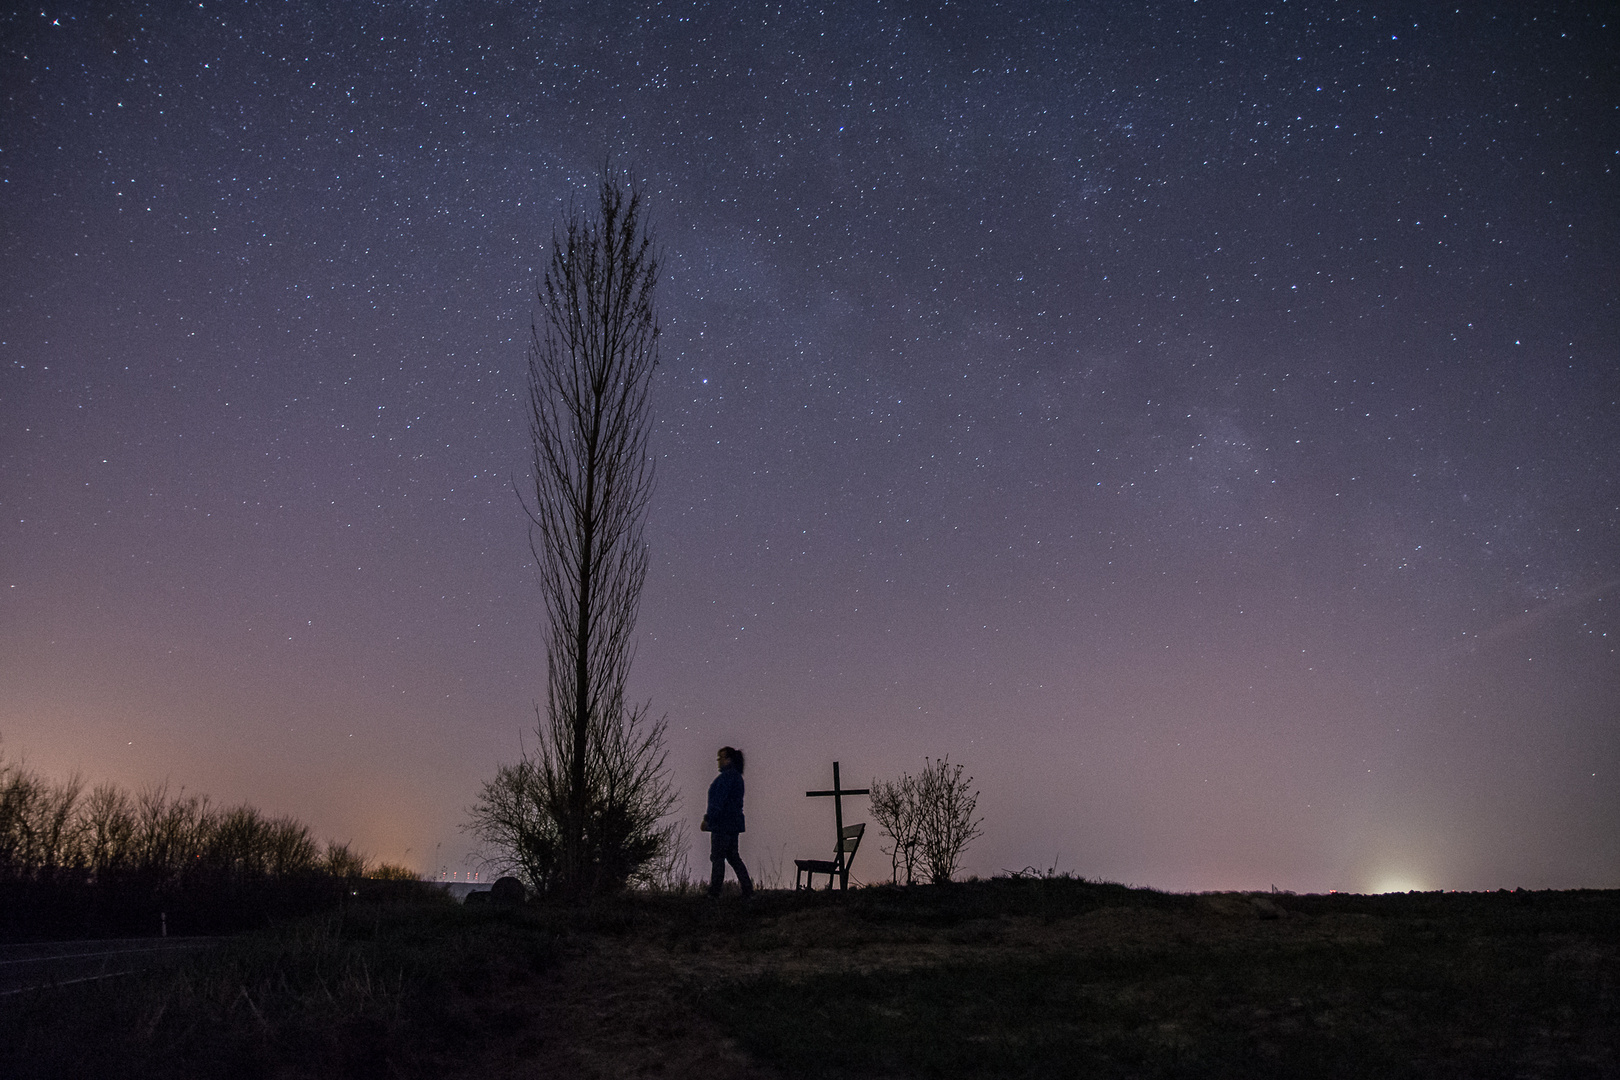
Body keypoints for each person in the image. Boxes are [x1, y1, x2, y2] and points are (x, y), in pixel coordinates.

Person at [702, 746, 753, 898]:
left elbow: (718, 801)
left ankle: (714, 892)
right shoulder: (737, 777)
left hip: (722, 824)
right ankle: (748, 890)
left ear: (728, 759)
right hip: (733, 824)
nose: (719, 761)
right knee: (733, 856)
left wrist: (708, 819)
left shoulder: (726, 778)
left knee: (718, 857)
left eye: (721, 758)